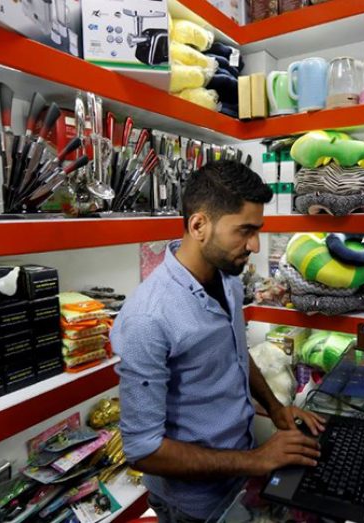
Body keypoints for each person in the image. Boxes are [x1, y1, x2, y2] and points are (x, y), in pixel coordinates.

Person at [111, 160, 325, 522]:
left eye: (257, 230)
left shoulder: (227, 279)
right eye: (245, 230)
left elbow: (236, 354)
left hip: (240, 480)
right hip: (194, 506)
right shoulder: (148, 317)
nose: (255, 245)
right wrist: (258, 459)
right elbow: (143, 450)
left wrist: (276, 409)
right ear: (198, 225)